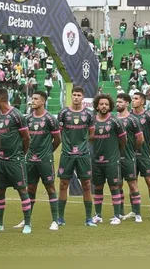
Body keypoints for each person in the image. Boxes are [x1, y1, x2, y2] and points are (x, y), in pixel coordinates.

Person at [12, 91, 61, 231]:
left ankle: (55, 221)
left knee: (50, 188)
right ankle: (26, 220)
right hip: (30, 160)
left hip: (45, 160)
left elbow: (57, 140)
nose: (32, 100)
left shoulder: (50, 119)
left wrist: (47, 152)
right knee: (30, 189)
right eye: (32, 98)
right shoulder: (27, 119)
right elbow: (23, 139)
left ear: (43, 101)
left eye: (35, 99)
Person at [0, 88, 32, 233]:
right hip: (1, 160)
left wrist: (22, 154)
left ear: (0, 99)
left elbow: (26, 137)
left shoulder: (17, 115)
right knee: (0, 191)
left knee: (22, 190)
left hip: (15, 160)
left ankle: (27, 224)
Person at [56, 86, 96, 226]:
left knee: (86, 185)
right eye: (74, 95)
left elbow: (92, 134)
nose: (76, 97)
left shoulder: (89, 114)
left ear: (83, 97)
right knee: (63, 185)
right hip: (67, 154)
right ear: (71, 96)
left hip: (83, 154)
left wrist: (82, 145)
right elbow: (59, 133)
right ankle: (60, 218)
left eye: (79, 95)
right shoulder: (63, 113)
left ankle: (88, 218)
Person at [90, 94, 127, 225]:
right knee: (98, 187)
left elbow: (123, 140)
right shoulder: (92, 121)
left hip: (111, 161)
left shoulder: (115, 121)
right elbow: (89, 138)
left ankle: (117, 216)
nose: (104, 106)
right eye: (101, 104)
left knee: (114, 187)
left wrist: (115, 153)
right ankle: (98, 215)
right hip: (96, 161)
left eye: (106, 104)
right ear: (97, 106)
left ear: (110, 106)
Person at [130, 92, 150, 221]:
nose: (133, 101)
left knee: (149, 181)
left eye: (136, 99)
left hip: (144, 154)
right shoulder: (129, 116)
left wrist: (146, 145)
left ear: (142, 101)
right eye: (132, 98)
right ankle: (134, 210)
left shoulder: (148, 116)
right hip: (131, 154)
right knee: (132, 183)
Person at [115, 93, 144, 223]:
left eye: (121, 102)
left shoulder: (133, 120)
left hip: (128, 156)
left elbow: (140, 139)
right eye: (117, 102)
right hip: (114, 157)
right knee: (117, 184)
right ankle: (119, 213)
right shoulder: (113, 119)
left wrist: (133, 150)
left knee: (132, 184)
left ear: (127, 103)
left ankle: (137, 213)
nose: (118, 104)